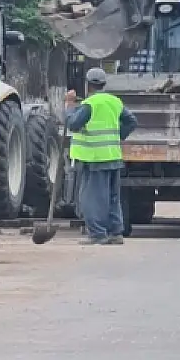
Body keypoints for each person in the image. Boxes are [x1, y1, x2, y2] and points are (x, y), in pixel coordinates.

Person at [66, 67, 138, 245]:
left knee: (92, 198)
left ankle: (97, 234)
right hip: (113, 156)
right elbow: (132, 121)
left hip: (94, 158)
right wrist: (117, 136)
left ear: (87, 84)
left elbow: (73, 124)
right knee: (113, 197)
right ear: (104, 84)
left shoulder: (90, 104)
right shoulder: (114, 102)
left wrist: (69, 107)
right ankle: (115, 233)